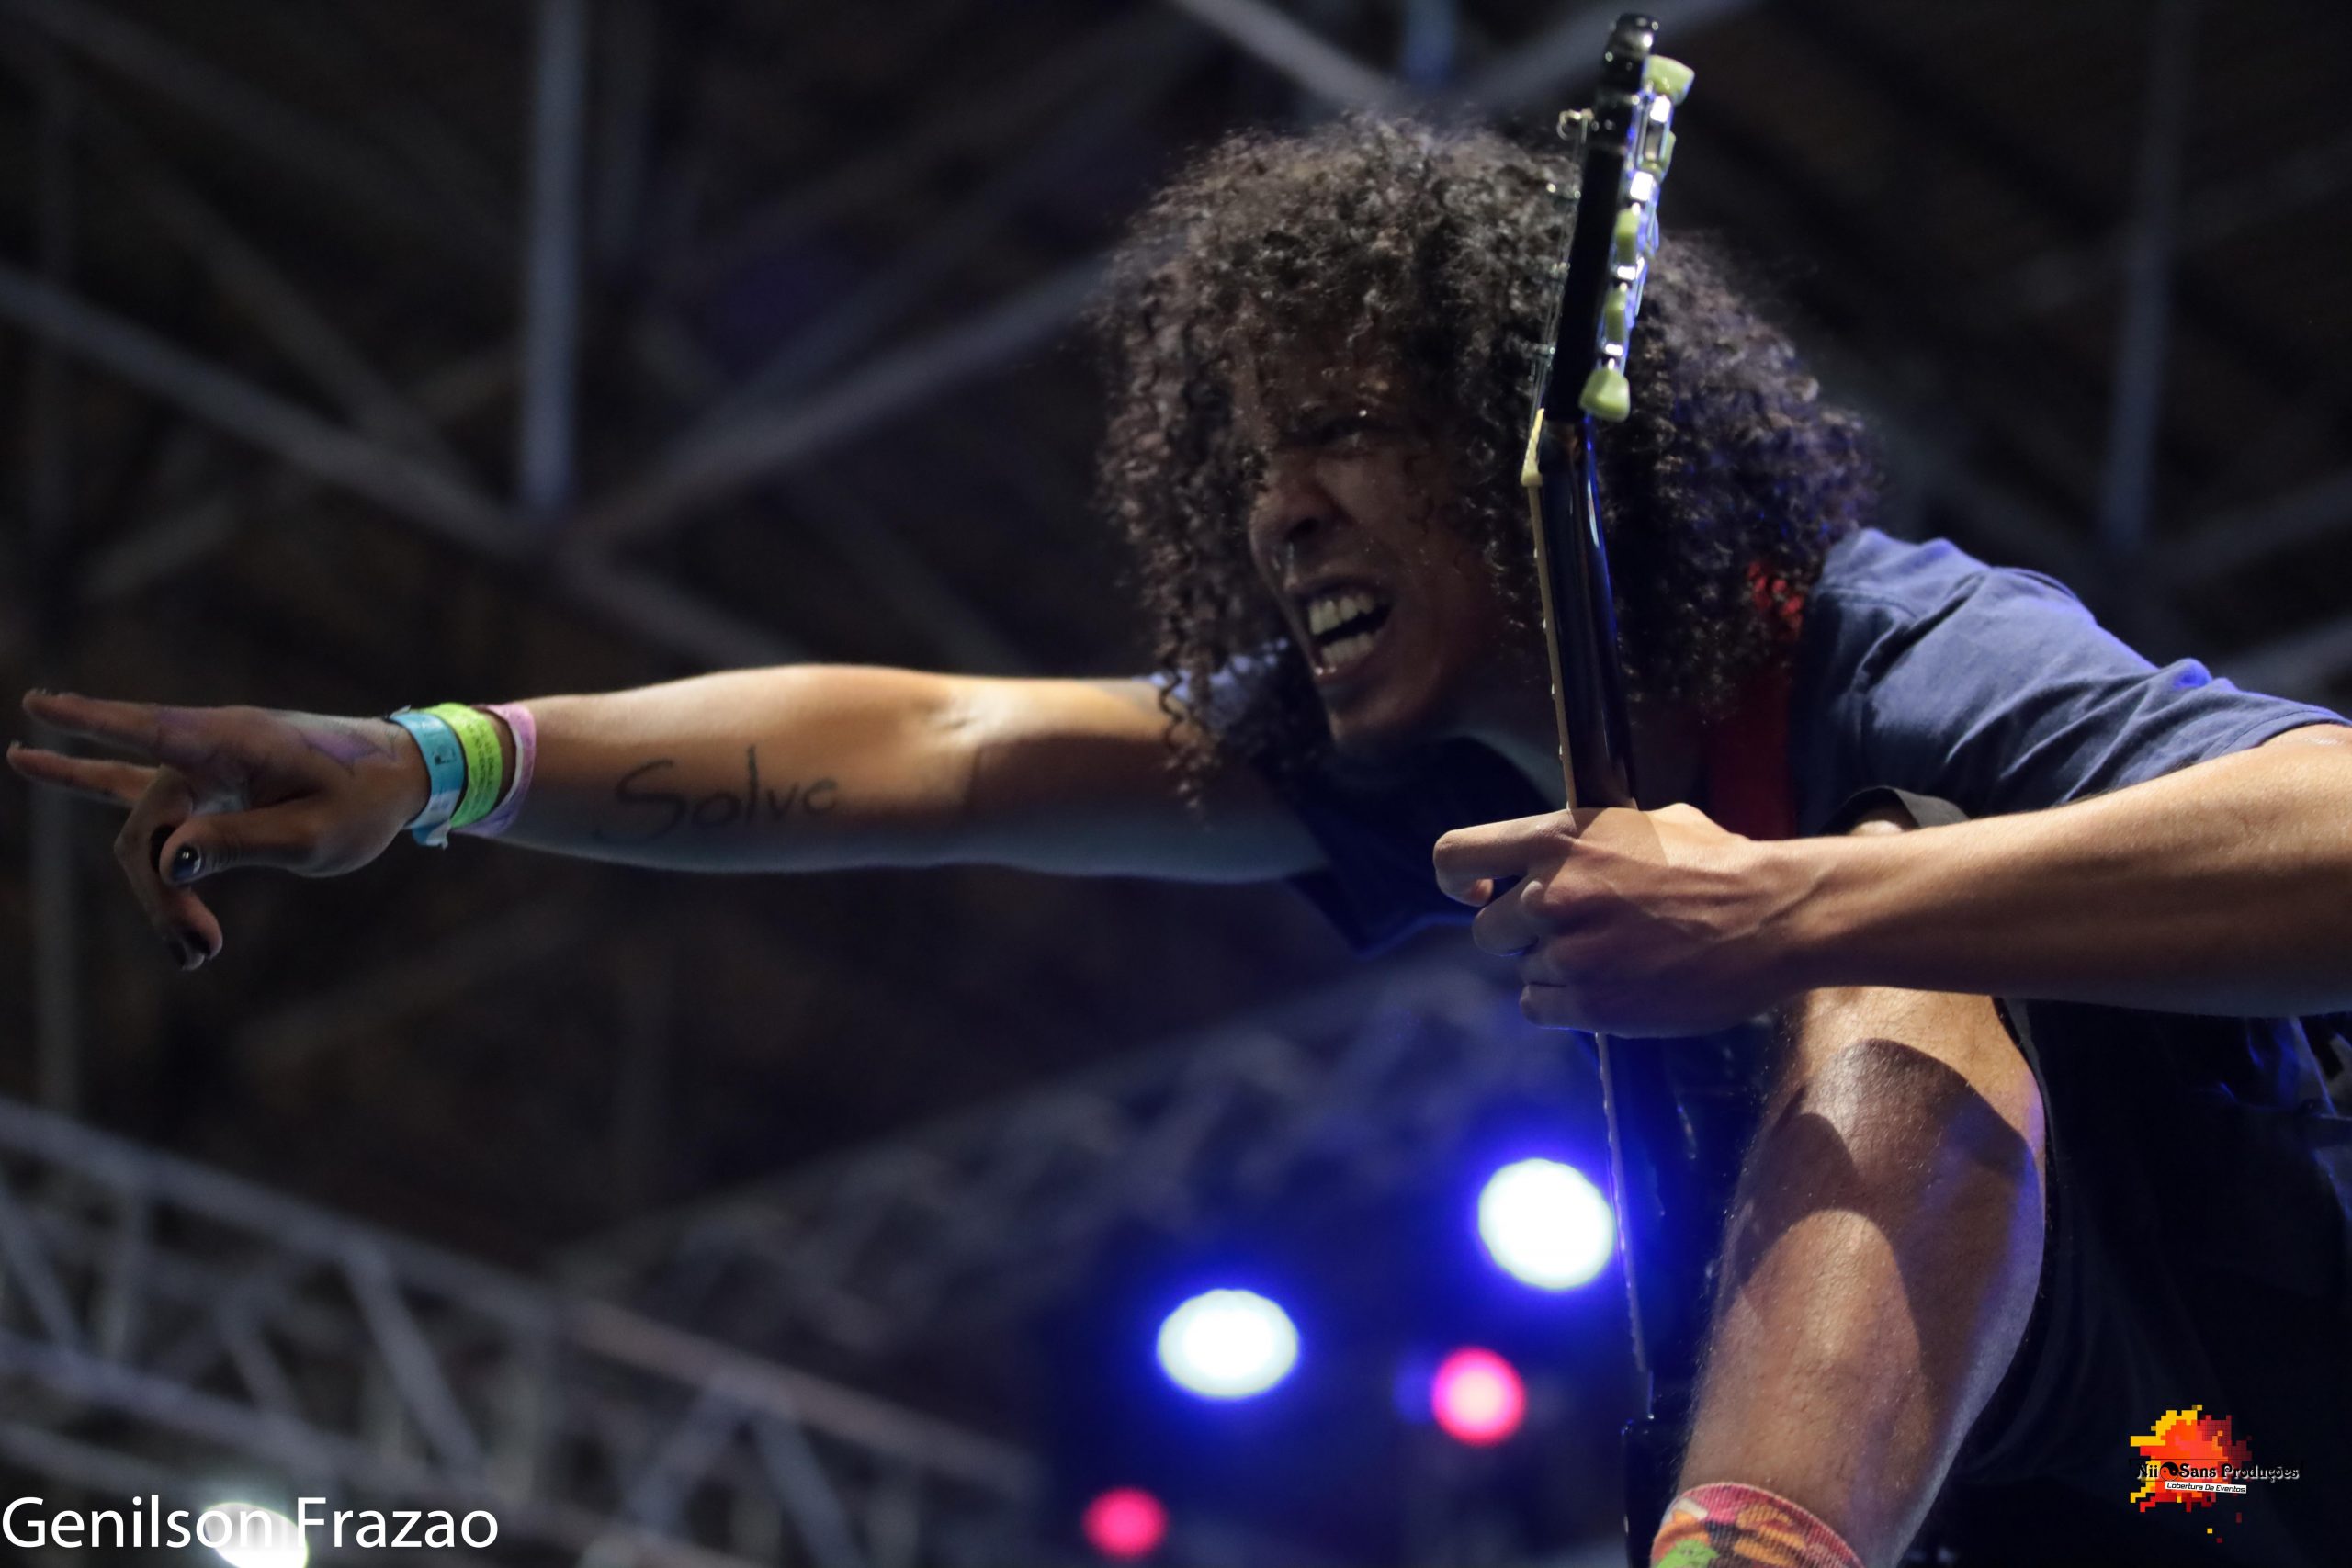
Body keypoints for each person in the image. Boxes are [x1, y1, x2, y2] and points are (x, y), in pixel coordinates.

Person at [12, 118, 2352, 1568]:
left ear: (1536, 451)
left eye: (1342, 435)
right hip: (2125, 1498)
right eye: (1251, 460)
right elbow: (937, 742)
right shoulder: (1432, 754)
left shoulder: (1888, 653)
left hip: (2274, 1435)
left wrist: (1794, 896)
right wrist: (434, 758)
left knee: (1887, 950)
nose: (1277, 509)